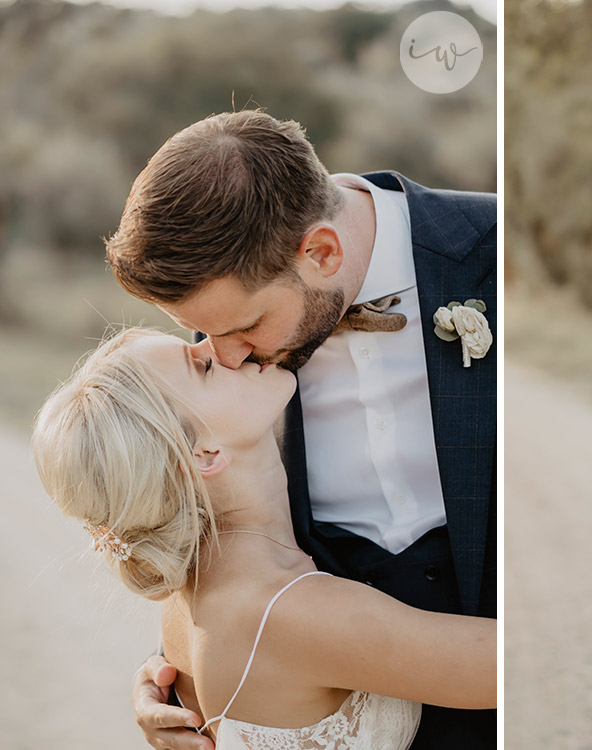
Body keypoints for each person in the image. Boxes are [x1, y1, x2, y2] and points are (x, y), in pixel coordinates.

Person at [104, 110, 496, 750]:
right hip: (329, 692)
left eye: (243, 328)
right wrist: (181, 678)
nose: (225, 356)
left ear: (320, 252)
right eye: (203, 335)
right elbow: (209, 518)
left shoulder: (493, 243)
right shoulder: (237, 377)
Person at [32, 328, 496, 749]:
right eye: (204, 366)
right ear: (205, 454)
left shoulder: (187, 596)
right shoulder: (297, 613)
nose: (216, 343)